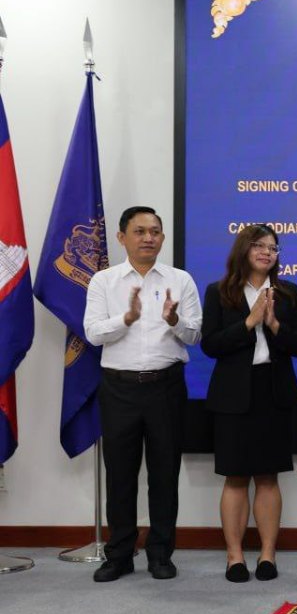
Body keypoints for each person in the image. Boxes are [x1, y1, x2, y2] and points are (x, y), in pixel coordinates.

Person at [84, 207, 202, 582]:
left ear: (162, 237)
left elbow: (194, 335)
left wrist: (174, 320)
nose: (148, 238)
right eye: (140, 231)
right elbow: (92, 333)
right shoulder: (104, 281)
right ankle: (119, 555)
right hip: (118, 388)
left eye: (155, 231)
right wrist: (127, 319)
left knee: (164, 474)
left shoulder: (180, 280)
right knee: (120, 475)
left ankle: (160, 553)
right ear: (122, 237)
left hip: (166, 387)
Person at [201, 224, 297, 583]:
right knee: (235, 477)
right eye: (259, 246)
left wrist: (274, 324)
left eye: (273, 248)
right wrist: (249, 322)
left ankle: (267, 555)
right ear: (244, 250)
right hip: (233, 394)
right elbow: (210, 345)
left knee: (268, 476)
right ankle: (234, 557)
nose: (267, 253)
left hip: (273, 392)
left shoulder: (288, 293)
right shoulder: (220, 292)